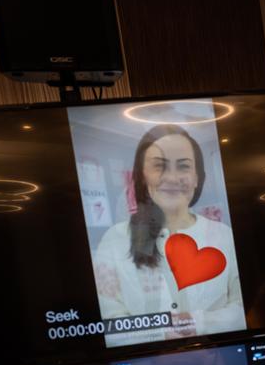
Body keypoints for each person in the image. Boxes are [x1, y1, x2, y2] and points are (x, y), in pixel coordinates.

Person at [92, 124, 245, 346]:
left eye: (183, 167)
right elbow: (106, 326)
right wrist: (159, 332)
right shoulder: (115, 239)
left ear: (197, 177)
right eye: (159, 167)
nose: (172, 177)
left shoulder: (223, 236)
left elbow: (244, 310)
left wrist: (197, 322)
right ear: (142, 176)